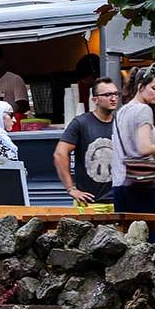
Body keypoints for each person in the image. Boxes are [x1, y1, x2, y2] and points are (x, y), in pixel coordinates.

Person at [54, 77, 121, 212]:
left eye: (115, 94)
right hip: (89, 204)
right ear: (95, 99)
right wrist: (71, 188)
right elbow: (60, 154)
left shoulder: (121, 123)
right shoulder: (81, 123)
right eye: (107, 95)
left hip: (119, 203)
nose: (113, 98)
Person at [111, 67, 155, 214]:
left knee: (125, 235)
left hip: (119, 183)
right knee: (154, 234)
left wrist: (154, 132)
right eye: (154, 88)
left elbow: (129, 139)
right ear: (141, 87)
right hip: (142, 184)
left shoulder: (121, 111)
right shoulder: (144, 110)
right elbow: (144, 149)